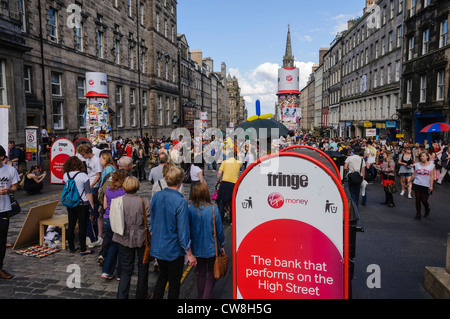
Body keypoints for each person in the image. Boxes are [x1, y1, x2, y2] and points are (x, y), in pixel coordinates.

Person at [150, 166, 197, 299]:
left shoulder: (157, 196)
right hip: (173, 249)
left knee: (162, 278)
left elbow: (152, 221)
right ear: (180, 181)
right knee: (174, 284)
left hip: (159, 246)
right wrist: (189, 253)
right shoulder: (180, 202)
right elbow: (183, 231)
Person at [113, 176, 150, 299]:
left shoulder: (119, 201)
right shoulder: (144, 201)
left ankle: (122, 296)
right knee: (143, 268)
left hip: (123, 236)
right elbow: (149, 222)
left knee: (125, 269)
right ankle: (141, 294)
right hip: (141, 237)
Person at [188, 183, 225, 299]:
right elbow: (219, 230)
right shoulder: (213, 209)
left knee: (201, 274)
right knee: (212, 274)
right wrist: (222, 244)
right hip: (211, 247)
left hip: (196, 247)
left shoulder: (190, 209)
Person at [97, 156, 133, 266]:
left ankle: (103, 255)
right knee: (117, 239)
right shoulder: (127, 178)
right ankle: (117, 265)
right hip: (119, 212)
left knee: (110, 236)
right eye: (131, 165)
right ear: (128, 166)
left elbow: (101, 188)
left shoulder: (109, 175)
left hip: (107, 207)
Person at [62, 156, 95, 255]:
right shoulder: (83, 176)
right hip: (82, 203)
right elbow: (88, 192)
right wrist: (92, 204)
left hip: (71, 203)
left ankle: (71, 247)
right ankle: (83, 249)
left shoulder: (66, 175)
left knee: (71, 225)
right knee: (82, 226)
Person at [101, 170, 127, 280]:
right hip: (118, 220)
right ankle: (120, 274)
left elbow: (105, 206)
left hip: (107, 219)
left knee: (113, 244)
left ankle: (107, 271)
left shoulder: (108, 189)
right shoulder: (125, 191)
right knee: (121, 245)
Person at [77, 143, 102, 247]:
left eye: (83, 154)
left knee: (93, 208)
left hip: (94, 186)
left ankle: (95, 230)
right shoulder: (87, 160)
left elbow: (98, 175)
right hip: (89, 183)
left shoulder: (96, 160)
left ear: (87, 152)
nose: (83, 156)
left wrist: (91, 185)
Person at [0, 145, 20, 279]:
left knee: (1, 242)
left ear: (1, 157)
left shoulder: (10, 170)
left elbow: (15, 186)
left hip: (3, 209)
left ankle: (0, 269)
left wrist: (9, 190)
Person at [216, 151, 243, 222]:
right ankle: (232, 220)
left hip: (224, 183)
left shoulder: (224, 162)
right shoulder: (238, 163)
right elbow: (241, 160)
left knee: (221, 202)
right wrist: (239, 154)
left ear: (228, 156)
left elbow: (219, 173)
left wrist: (218, 180)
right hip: (233, 184)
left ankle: (221, 219)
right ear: (235, 156)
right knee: (232, 203)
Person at [408, 151, 435, 220]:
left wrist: (431, 186)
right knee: (417, 199)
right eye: (421, 156)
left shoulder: (431, 165)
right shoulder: (417, 164)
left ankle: (427, 208)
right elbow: (414, 174)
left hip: (426, 185)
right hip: (417, 183)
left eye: (423, 156)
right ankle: (418, 214)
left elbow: (431, 176)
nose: (422, 157)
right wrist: (409, 181)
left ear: (427, 157)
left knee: (424, 200)